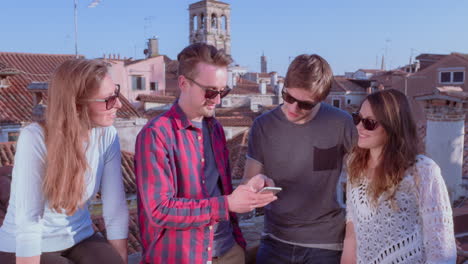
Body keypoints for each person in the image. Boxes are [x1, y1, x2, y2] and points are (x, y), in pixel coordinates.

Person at [134, 43, 277, 264]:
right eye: (211, 92)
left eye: (223, 91)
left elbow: (218, 190)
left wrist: (249, 189)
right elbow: (160, 210)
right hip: (182, 257)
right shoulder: (156, 135)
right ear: (183, 83)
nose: (218, 100)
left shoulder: (216, 129)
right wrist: (227, 204)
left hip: (228, 251)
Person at [0, 59, 129, 264]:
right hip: (23, 246)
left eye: (117, 93)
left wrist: (119, 259)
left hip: (79, 237)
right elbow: (29, 222)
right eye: (109, 99)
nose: (119, 104)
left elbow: (115, 207)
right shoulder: (34, 138)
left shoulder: (107, 135)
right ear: (77, 104)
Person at [243, 54, 357, 264]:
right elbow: (247, 183)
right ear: (283, 87)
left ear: (321, 99)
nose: (293, 109)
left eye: (305, 104)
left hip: (325, 244)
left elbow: (364, 182)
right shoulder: (263, 126)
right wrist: (256, 186)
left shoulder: (341, 123)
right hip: (274, 240)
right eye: (288, 98)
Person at [341, 89, 457, 264]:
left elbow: (441, 246)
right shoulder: (354, 164)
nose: (359, 127)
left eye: (370, 123)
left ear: (393, 126)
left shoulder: (422, 170)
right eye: (357, 118)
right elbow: (353, 227)